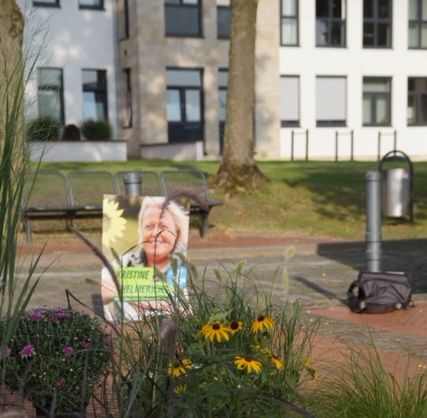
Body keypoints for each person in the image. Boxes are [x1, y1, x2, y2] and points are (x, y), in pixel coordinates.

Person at [101, 196, 189, 322]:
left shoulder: (182, 268)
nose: (155, 233)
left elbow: (186, 311)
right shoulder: (125, 263)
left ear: (178, 233)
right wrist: (145, 300)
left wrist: (124, 293)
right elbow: (102, 289)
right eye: (149, 226)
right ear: (140, 231)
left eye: (163, 226)